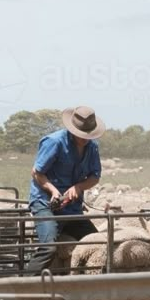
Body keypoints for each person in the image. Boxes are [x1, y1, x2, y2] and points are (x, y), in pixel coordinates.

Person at [25, 105, 106, 275]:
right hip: (45, 203)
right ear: (73, 129)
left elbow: (95, 176)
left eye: (89, 135)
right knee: (49, 248)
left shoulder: (92, 147)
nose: (85, 139)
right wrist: (53, 191)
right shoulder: (54, 142)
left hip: (71, 207)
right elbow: (37, 172)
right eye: (82, 135)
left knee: (97, 243)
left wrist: (79, 187)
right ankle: (24, 286)